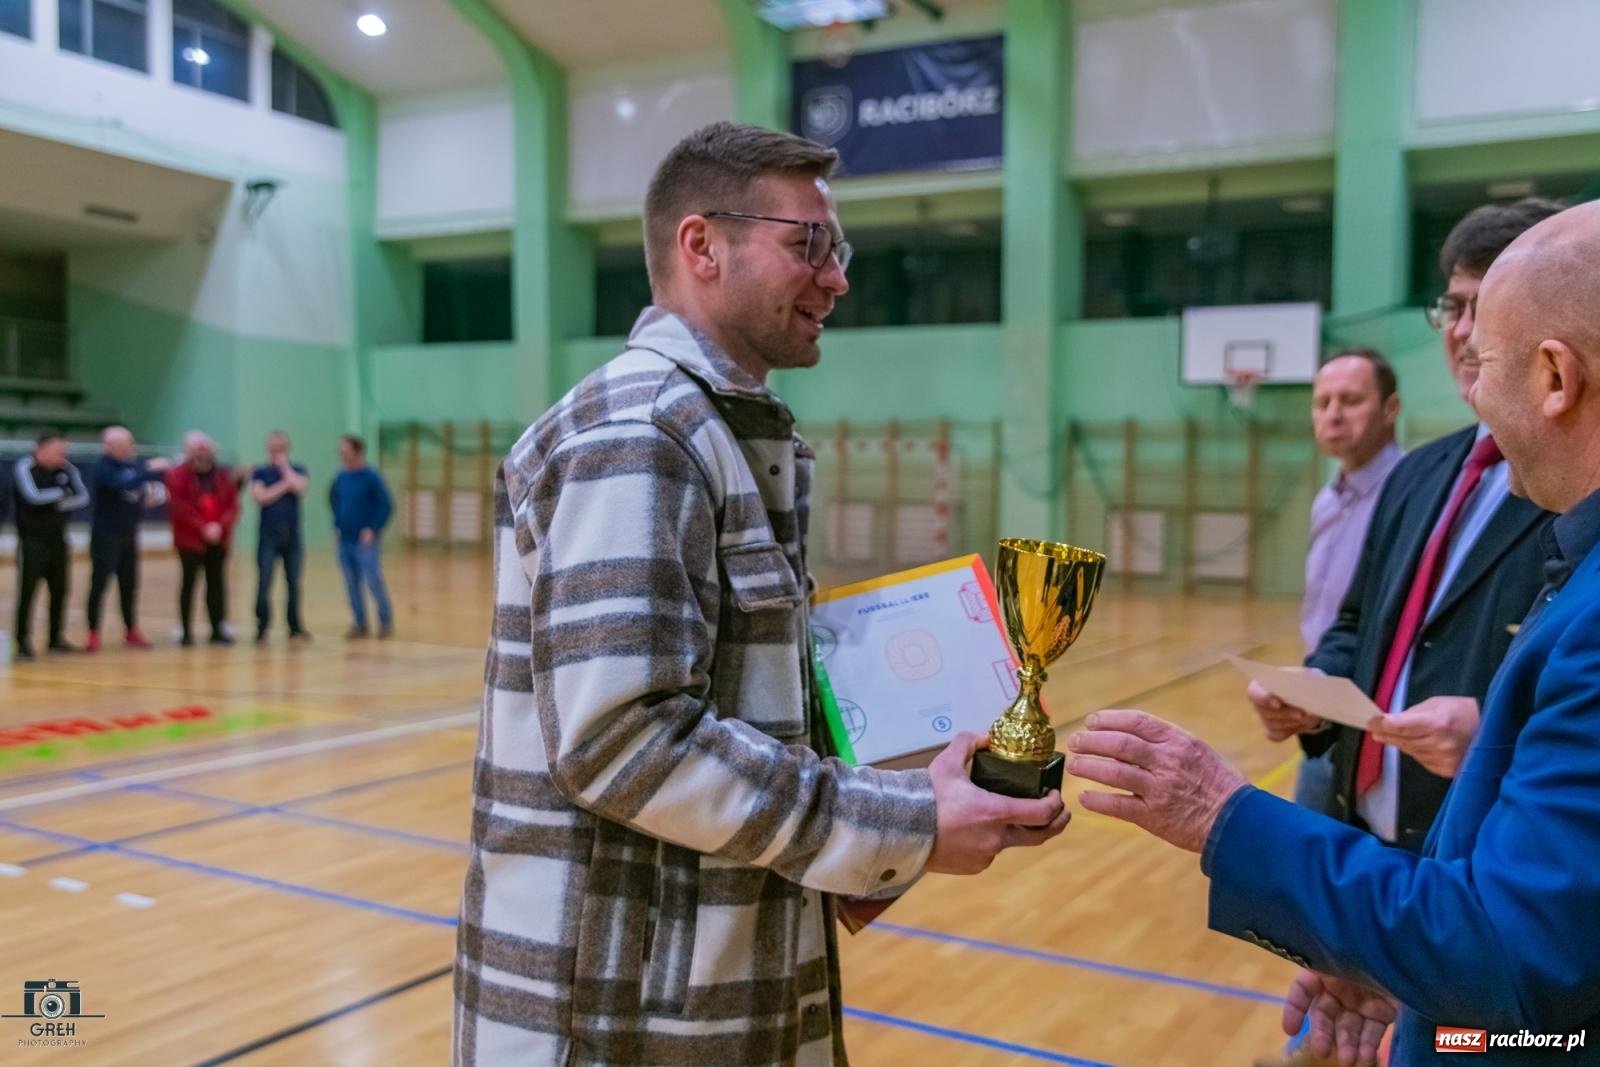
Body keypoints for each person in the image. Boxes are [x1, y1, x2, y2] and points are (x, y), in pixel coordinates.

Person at [452, 122, 1071, 1066]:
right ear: (702, 245)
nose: (837, 277)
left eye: (839, 248)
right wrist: (903, 822)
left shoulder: (714, 428)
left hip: (708, 992)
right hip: (621, 1023)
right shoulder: (641, 431)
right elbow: (623, 739)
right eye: (807, 245)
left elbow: (735, 720)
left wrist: (907, 804)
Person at [1068, 199, 1600, 1066]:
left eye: (1489, 356)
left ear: (1554, 377)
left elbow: (1520, 970)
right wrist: (1410, 984)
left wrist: (1222, 812)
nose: (1469, 376)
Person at [1247, 199, 1561, 853]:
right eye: (1454, 306)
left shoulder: (1575, 485)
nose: (1466, 331)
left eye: (1489, 304)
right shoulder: (1418, 472)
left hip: (1478, 847)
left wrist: (1490, 732)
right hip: (1364, 822)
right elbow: (1359, 623)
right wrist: (1314, 693)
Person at [1291, 348, 1404, 817]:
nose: (1333, 414)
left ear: (1390, 409)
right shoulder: (1327, 498)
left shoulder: (1410, 494)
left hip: (1377, 720)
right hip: (1322, 710)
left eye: (1351, 400)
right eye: (1323, 402)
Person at [85, 426, 169, 652]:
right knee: (100, 584)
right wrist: (150, 468)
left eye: (131, 444)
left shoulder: (132, 466)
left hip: (129, 534)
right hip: (106, 535)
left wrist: (147, 501)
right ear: (111, 447)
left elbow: (135, 494)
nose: (130, 448)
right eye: (125, 444)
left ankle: (131, 629)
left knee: (129, 584)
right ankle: (92, 632)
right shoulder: (103, 468)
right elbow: (121, 484)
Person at [11, 431, 88, 659]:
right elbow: (33, 497)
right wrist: (61, 494)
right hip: (32, 542)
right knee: (28, 593)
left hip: (58, 540)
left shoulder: (67, 469)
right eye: (59, 451)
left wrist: (56, 500)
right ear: (41, 450)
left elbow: (82, 497)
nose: (63, 455)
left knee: (60, 590)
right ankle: (22, 642)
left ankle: (55, 638)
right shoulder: (25, 468)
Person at [166, 431, 238, 646]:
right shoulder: (177, 476)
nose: (201, 453)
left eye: (204, 448)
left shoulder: (224, 476)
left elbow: (232, 506)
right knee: (188, 584)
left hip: (218, 539)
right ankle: (186, 631)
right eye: (196, 449)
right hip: (190, 540)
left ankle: (218, 628)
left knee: (216, 584)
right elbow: (180, 508)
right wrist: (202, 527)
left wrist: (219, 526)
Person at [328, 435, 393, 639]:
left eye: (347, 452)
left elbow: (386, 505)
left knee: (373, 580)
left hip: (365, 542)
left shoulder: (371, 477)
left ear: (358, 453)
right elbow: (335, 502)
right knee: (351, 583)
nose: (343, 456)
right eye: (341, 452)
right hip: (345, 539)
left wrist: (372, 528)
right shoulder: (340, 477)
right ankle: (359, 623)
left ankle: (385, 621)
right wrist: (337, 526)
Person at [250, 431, 310, 643]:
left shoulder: (298, 469)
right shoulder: (260, 472)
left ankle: (295, 626)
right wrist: (285, 485)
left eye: (281, 449)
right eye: (273, 449)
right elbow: (261, 497)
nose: (277, 453)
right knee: (264, 581)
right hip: (268, 536)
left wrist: (286, 470)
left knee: (294, 583)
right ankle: (262, 626)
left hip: (292, 537)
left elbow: (300, 487)